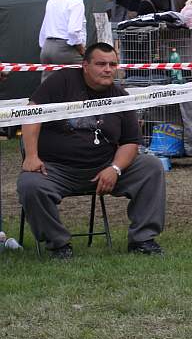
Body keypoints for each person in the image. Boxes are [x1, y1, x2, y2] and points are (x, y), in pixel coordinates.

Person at [17, 42, 166, 259]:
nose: (108, 69)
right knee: (30, 184)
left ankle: (143, 240)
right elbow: (33, 113)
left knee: (151, 166)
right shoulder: (61, 81)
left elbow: (131, 142)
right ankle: (59, 245)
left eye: (113, 64)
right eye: (101, 64)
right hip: (55, 170)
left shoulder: (120, 95)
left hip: (104, 169)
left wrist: (115, 168)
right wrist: (31, 156)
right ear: (85, 65)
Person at [38, 0, 88, 82]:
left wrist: (44, 46)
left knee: (47, 84)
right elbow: (73, 31)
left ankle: (43, 99)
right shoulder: (77, 2)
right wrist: (82, 50)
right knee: (84, 76)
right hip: (65, 49)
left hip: (47, 48)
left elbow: (44, 27)